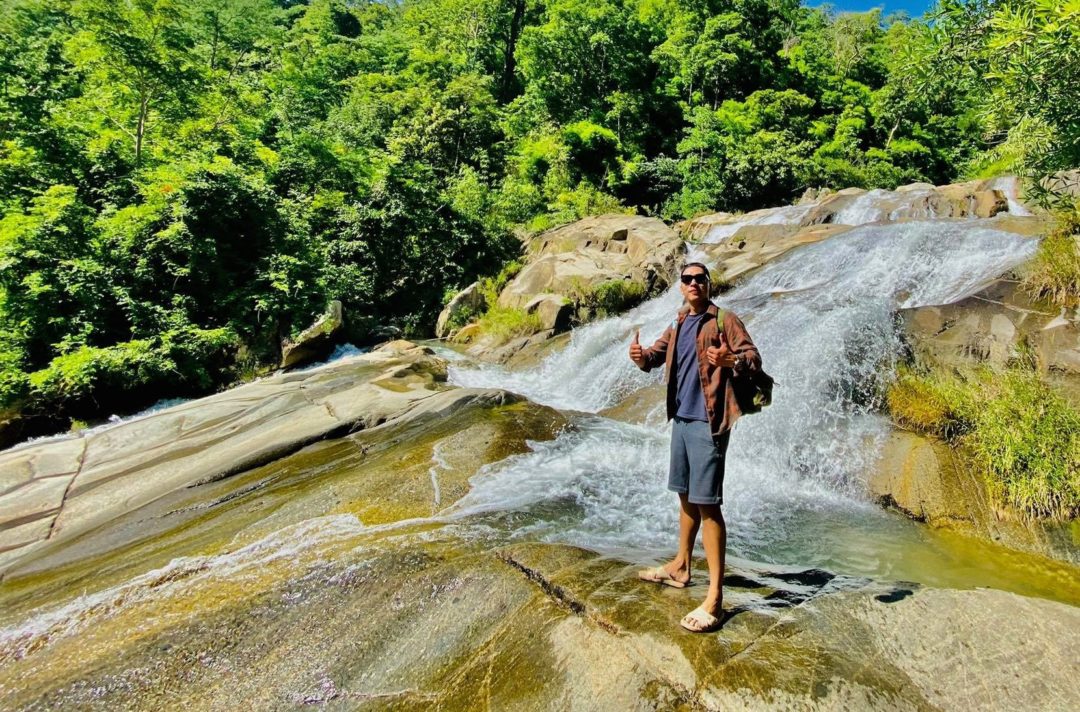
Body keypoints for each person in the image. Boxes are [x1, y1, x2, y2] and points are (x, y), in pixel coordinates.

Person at [628, 261, 761, 633]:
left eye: (699, 279)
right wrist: (641, 358)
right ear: (681, 286)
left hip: (709, 422)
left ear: (708, 284)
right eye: (687, 279)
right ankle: (681, 566)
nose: (693, 284)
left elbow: (753, 358)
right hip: (682, 420)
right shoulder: (680, 321)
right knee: (685, 495)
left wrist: (731, 360)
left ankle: (716, 599)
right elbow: (656, 356)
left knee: (708, 504)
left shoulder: (724, 320)